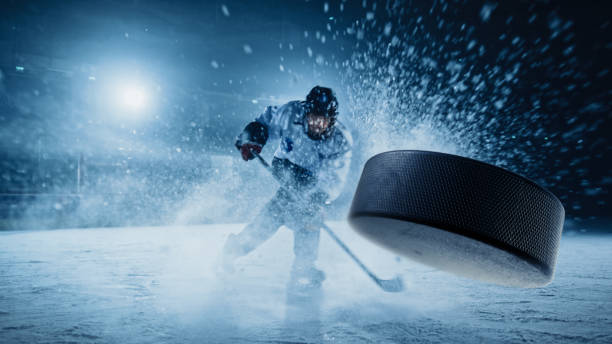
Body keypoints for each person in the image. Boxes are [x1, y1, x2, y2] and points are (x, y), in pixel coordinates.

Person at [220, 86, 352, 287]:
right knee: (289, 209)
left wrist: (318, 199)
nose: (317, 123)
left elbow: (335, 177)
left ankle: (235, 249)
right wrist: (253, 136)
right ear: (306, 112)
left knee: (307, 215)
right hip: (285, 165)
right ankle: (303, 268)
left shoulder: (340, 140)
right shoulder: (291, 113)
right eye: (314, 116)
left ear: (331, 120)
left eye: (323, 119)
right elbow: (266, 121)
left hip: (313, 178)